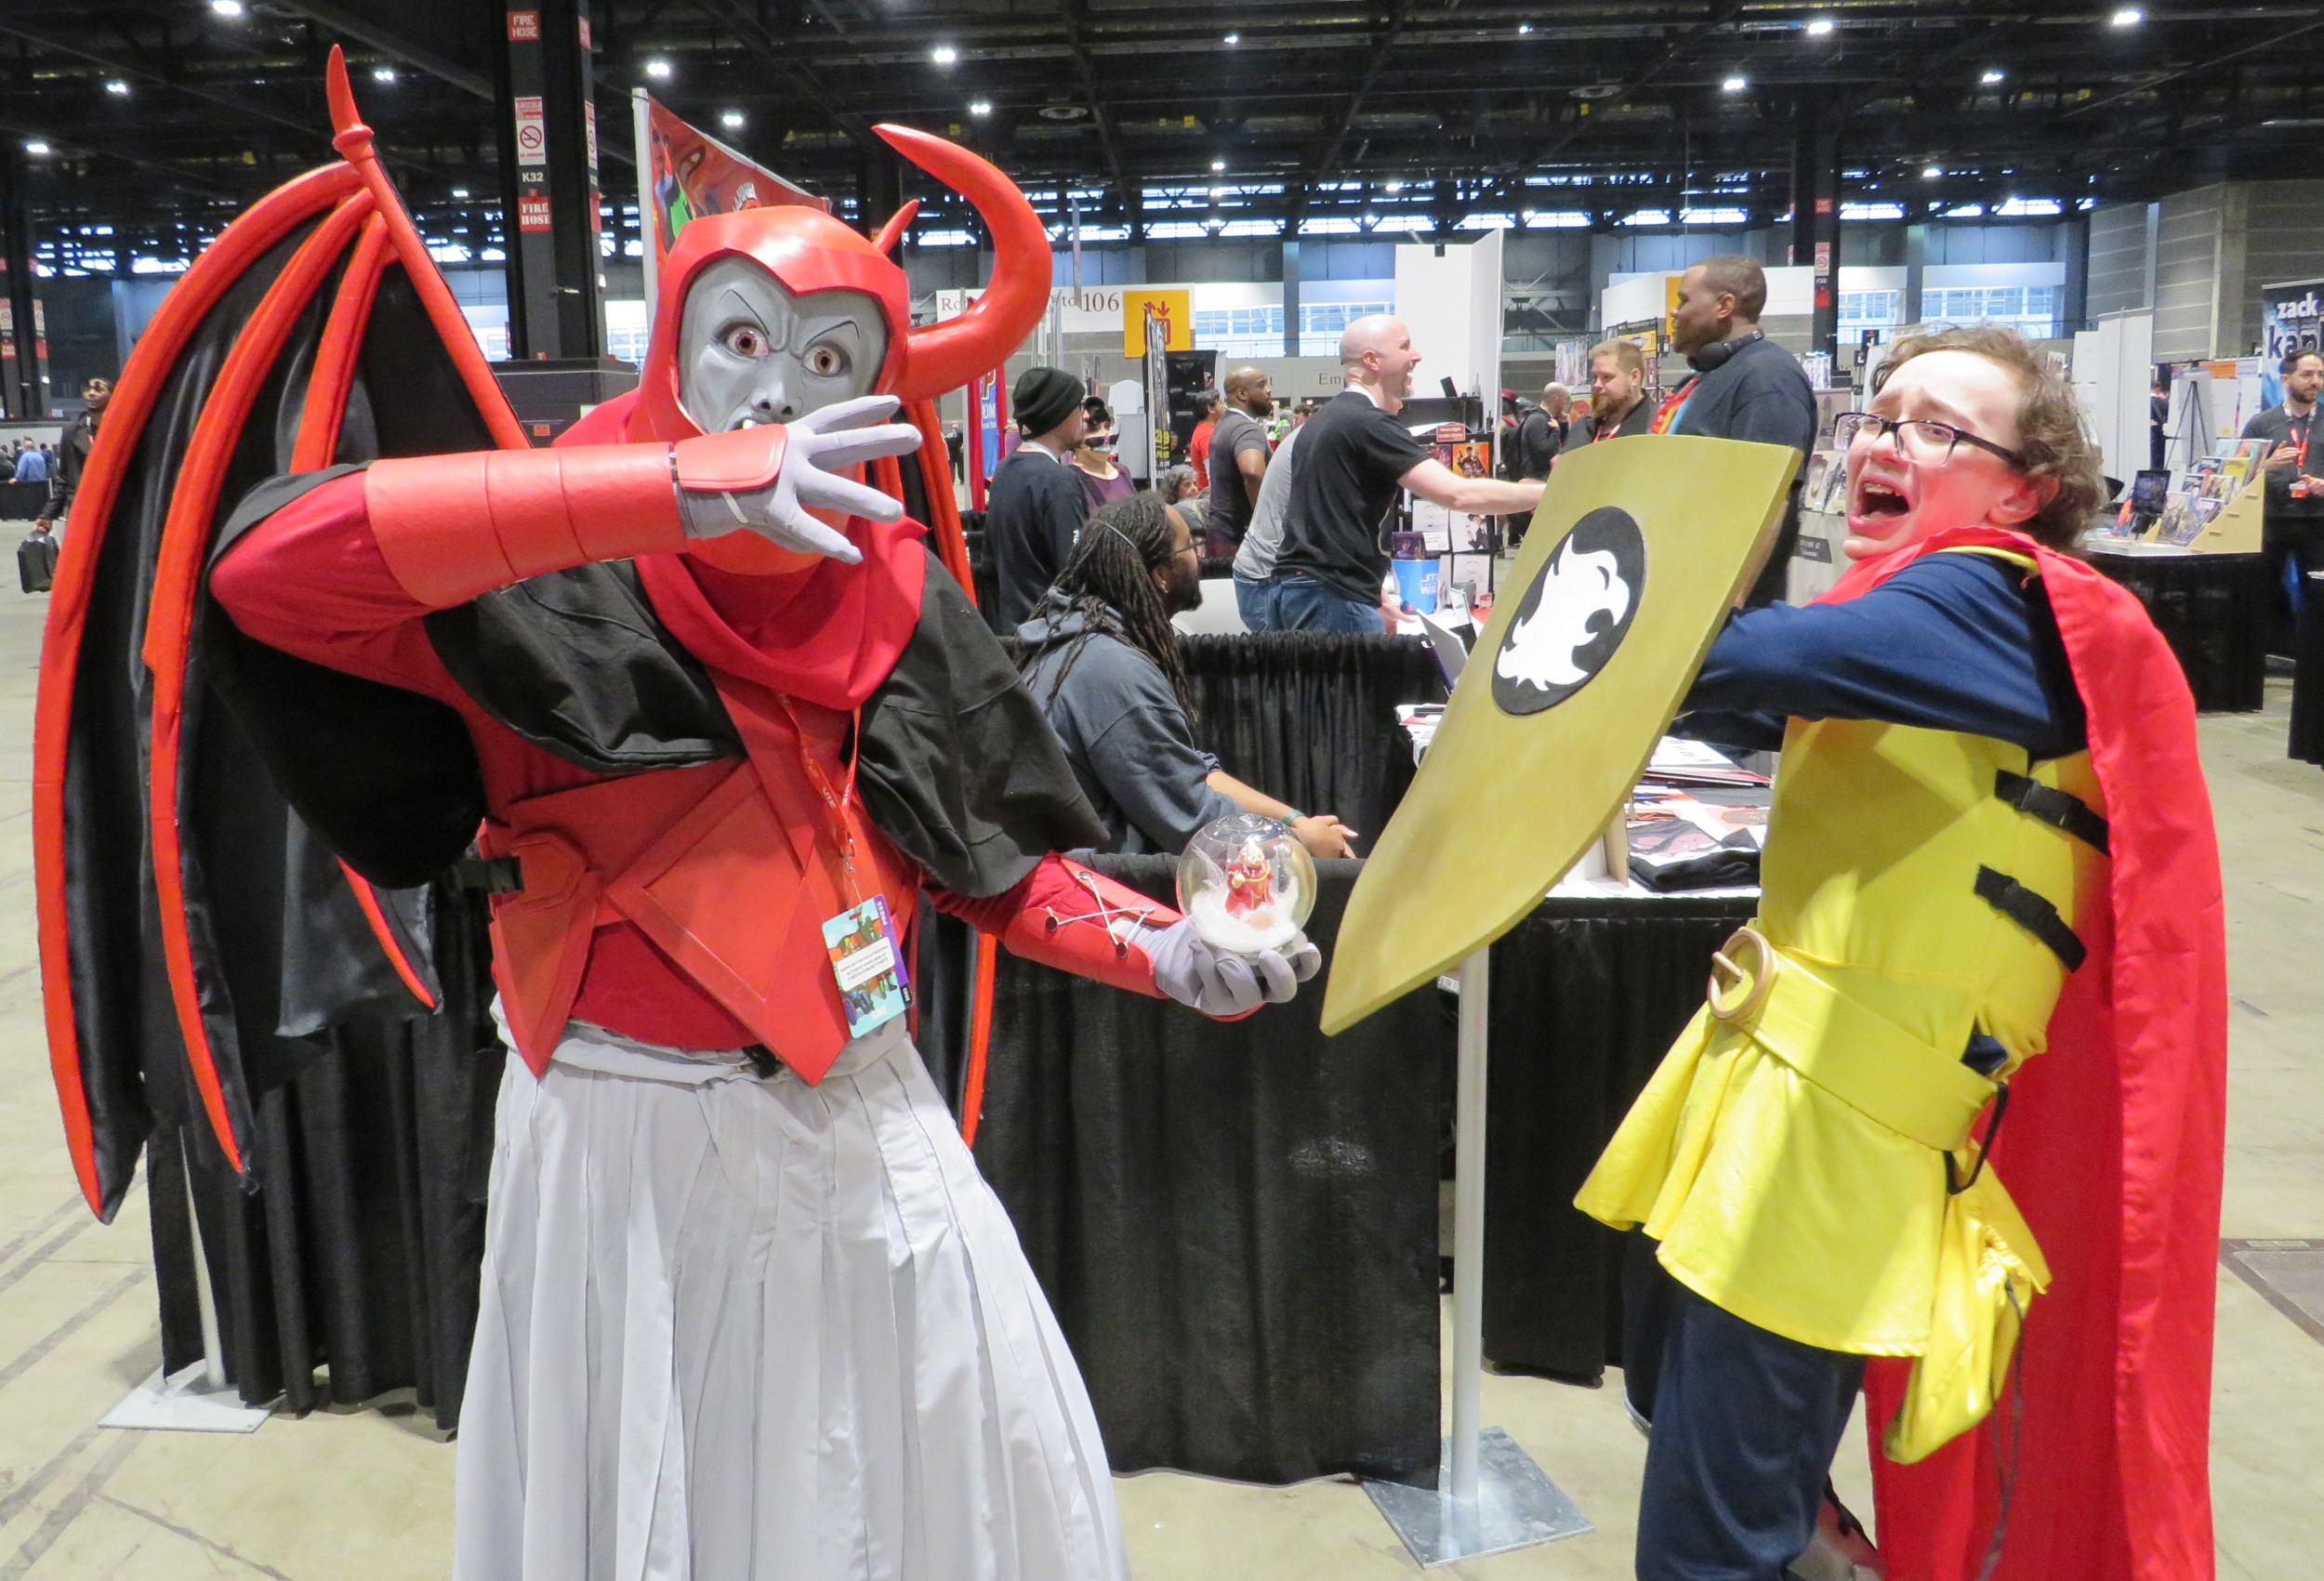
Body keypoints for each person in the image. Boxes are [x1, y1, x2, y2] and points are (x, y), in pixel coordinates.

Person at [206, 127, 1322, 1581]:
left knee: (947, 1507)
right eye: (740, 342)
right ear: (672, 347)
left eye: (827, 358)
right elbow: (263, 572)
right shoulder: (531, 551)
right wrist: (670, 491)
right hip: (625, 1146)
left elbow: (985, 861)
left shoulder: (892, 582)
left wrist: (1164, 950)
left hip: (870, 1114)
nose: (777, 396)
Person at [1578, 325, 2223, 1581]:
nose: (1884, 441)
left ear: (2023, 489)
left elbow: (1735, 660)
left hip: (1835, 1138)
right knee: (1689, 1415)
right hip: (1777, 1093)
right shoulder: (1926, 605)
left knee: (1710, 1532)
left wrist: (1587, 597)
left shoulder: (1995, 597)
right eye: (1877, 418)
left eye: (1935, 428)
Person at [1017, 492, 1356, 859]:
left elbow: (1193, 773)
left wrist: (1295, 821)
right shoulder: (1112, 670)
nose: (1199, 556)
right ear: (1161, 575)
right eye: (1190, 547)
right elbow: (1192, 822)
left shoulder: (1082, 639)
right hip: (1094, 883)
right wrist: (1298, 845)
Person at [1272, 315, 1542, 634]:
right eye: (1404, 347)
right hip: (1332, 597)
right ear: (1372, 360)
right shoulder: (1368, 423)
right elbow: (1458, 494)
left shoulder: (1327, 419)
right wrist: (1548, 493)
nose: (1417, 355)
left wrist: (1370, 590)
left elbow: (1329, 522)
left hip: (1310, 591)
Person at [1660, 256, 1821, 607]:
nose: (1674, 312)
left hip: (1717, 605)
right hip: (1680, 585)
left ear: (1724, 305)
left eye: (1684, 300)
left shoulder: (1769, 376)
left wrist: (1732, 603)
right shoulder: (1708, 376)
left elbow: (1769, 500)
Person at [985, 364, 1091, 626]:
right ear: (1059, 414)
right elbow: (1076, 575)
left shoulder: (1005, 470)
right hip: (1049, 634)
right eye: (1079, 406)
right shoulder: (1058, 481)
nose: (1086, 415)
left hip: (1011, 631)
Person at [2238, 348, 2324, 644]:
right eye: (2307, 375)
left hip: (2318, 522)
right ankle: (2270, 653)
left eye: (2320, 375)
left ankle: (2313, 659)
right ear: (2286, 380)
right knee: (2263, 592)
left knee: (2318, 593)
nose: (2315, 381)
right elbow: (2238, 473)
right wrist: (2266, 465)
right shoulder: (2261, 423)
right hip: (2270, 519)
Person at [1230, 415, 1304, 632]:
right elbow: (1252, 471)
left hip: (1259, 563)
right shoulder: (1247, 428)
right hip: (1266, 571)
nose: (1269, 396)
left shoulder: (1230, 425)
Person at [1205, 364, 1274, 557]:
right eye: (1261, 385)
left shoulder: (1225, 424)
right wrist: (1265, 523)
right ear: (1242, 394)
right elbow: (1253, 472)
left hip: (1221, 534)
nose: (1268, 390)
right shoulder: (1246, 428)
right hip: (1241, 539)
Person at [38, 376, 109, 536]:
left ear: (113, 395)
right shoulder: (72, 431)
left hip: (116, 508)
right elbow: (64, 476)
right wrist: (48, 514)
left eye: (98, 389)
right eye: (88, 389)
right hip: (81, 508)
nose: (91, 393)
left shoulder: (122, 428)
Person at [1563, 338, 1655, 450]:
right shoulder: (1582, 428)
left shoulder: (1658, 426)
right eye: (1595, 377)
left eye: (1606, 377)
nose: (1596, 385)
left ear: (1634, 377)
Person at [1068, 396, 1136, 511]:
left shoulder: (1122, 471)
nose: (1105, 435)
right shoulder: (1071, 479)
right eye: (1093, 429)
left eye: (1107, 426)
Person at [1186, 389, 1222, 490]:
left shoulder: (1204, 430)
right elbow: (1212, 474)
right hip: (1208, 494)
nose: (1225, 407)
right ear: (1211, 409)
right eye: (1221, 403)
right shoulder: (1207, 434)